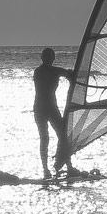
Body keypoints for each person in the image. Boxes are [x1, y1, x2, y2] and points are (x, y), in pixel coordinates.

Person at [33, 47, 74, 178]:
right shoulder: (38, 71)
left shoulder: (56, 71)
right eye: (45, 57)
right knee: (44, 138)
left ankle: (68, 165)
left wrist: (75, 75)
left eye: (50, 57)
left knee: (63, 136)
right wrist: (66, 72)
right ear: (42, 58)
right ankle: (45, 169)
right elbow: (55, 71)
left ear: (53, 58)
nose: (48, 59)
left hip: (52, 107)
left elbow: (68, 75)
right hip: (40, 108)